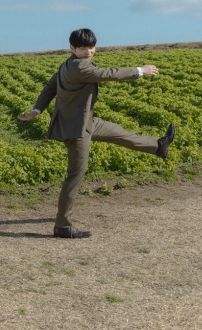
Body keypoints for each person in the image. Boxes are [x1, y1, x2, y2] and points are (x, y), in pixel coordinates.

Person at [18, 28, 175, 239]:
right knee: (75, 174)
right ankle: (63, 226)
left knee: (119, 133)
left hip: (86, 121)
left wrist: (37, 110)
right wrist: (140, 70)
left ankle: (158, 146)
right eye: (83, 48)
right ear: (72, 48)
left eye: (91, 47)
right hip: (75, 129)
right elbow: (108, 74)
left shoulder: (67, 63)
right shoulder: (79, 67)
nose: (88, 52)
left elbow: (50, 86)